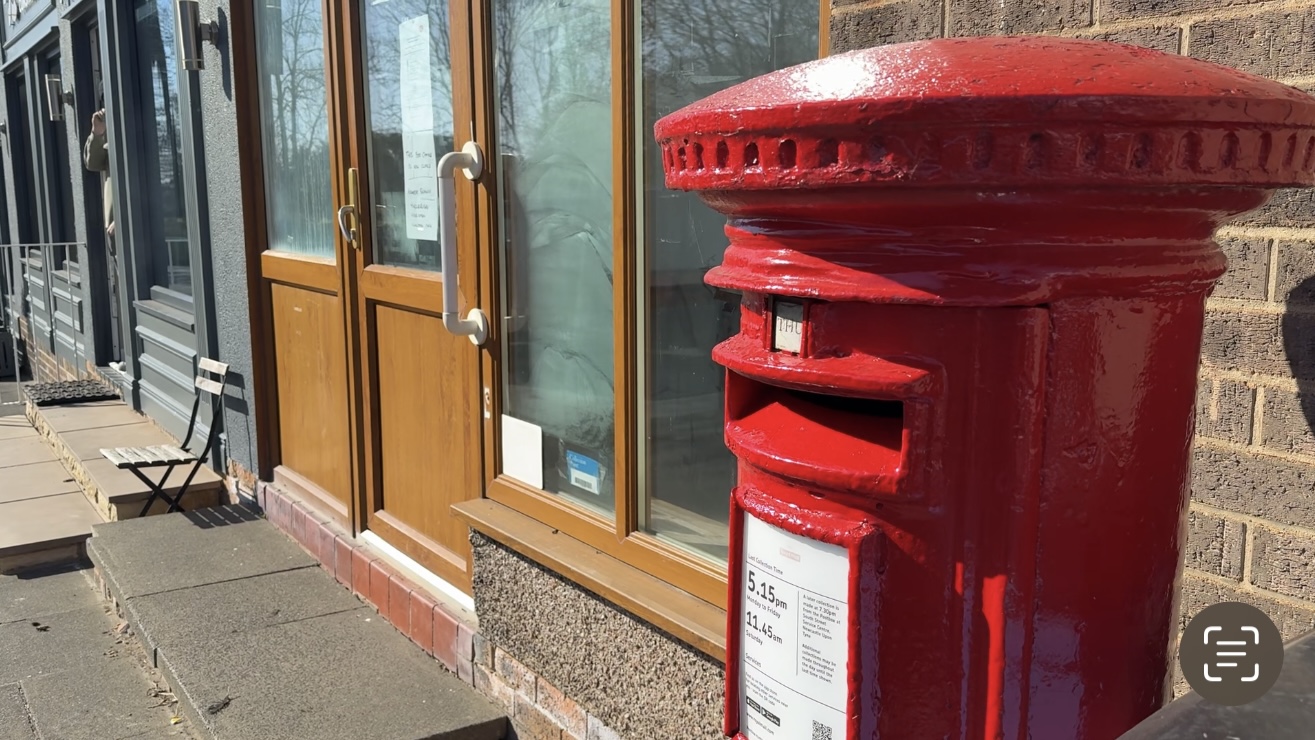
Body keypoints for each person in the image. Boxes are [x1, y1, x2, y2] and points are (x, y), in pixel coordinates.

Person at [83, 107, 114, 239]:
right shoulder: (112, 130)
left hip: (135, 231)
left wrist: (124, 218)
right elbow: (93, 164)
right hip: (116, 232)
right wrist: (97, 134)